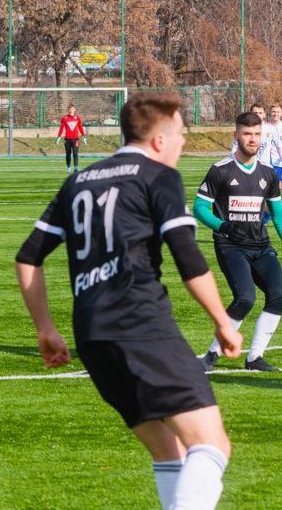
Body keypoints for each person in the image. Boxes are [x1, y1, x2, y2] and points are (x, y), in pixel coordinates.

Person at [15, 93, 242, 510]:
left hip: (92, 336)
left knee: (169, 450)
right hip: (141, 324)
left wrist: (45, 328)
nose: (183, 143)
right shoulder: (158, 176)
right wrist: (222, 321)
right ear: (159, 140)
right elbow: (188, 257)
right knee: (211, 444)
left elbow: (28, 257)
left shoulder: (78, 181)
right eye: (180, 134)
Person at [195, 110, 282, 373]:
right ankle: (211, 355)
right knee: (245, 298)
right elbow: (199, 208)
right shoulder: (220, 170)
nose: (252, 139)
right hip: (230, 246)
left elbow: (278, 214)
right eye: (247, 133)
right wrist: (222, 226)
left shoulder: (268, 173)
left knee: (278, 295)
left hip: (261, 246)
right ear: (236, 135)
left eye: (257, 134)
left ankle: (255, 357)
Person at [55, 103, 87, 173]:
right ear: (68, 110)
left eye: (72, 109)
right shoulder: (64, 118)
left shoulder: (77, 118)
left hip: (75, 139)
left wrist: (84, 136)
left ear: (74, 110)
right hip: (67, 139)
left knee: (75, 153)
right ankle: (68, 167)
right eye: (70, 109)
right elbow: (61, 128)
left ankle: (76, 167)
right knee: (68, 154)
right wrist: (58, 137)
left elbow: (80, 127)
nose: (71, 110)